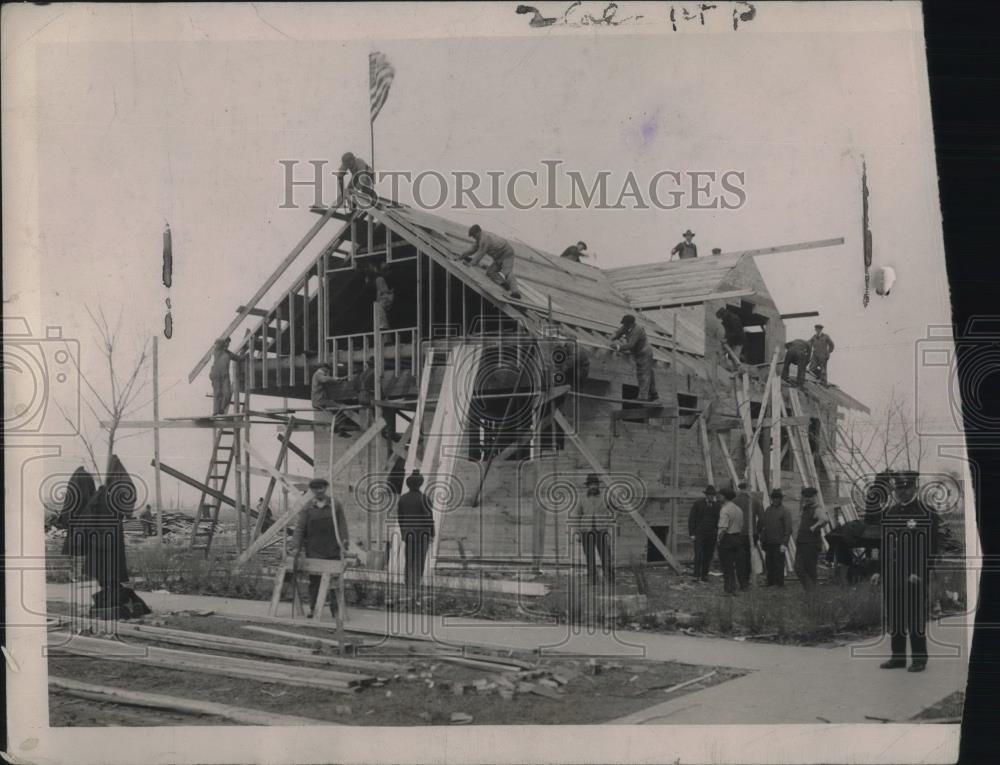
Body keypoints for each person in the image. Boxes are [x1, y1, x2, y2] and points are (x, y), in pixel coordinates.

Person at [878, 471, 940, 672]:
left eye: (906, 488)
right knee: (895, 616)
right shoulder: (890, 512)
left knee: (914, 616)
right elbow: (885, 546)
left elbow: (930, 547)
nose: (902, 492)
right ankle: (898, 657)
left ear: (914, 488)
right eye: (898, 488)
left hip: (914, 576)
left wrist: (920, 572)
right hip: (893, 575)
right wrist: (879, 571)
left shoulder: (925, 512)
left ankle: (919, 659)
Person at [291, 478, 349, 619]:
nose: (319, 491)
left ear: (326, 488)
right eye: (316, 488)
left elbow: (342, 526)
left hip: (333, 549)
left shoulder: (335, 505)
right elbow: (299, 528)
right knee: (315, 582)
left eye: (322, 488)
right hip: (314, 550)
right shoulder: (308, 508)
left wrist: (344, 544)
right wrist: (296, 547)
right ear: (312, 490)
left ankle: (335, 610)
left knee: (335, 581)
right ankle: (313, 609)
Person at [568, 473, 615, 586]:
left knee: (605, 555)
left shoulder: (605, 498)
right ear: (588, 486)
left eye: (595, 484)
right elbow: (576, 516)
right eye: (591, 484)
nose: (593, 486)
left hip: (601, 531)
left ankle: (609, 578)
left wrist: (608, 524)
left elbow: (614, 512)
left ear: (598, 486)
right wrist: (577, 532)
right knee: (589, 556)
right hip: (586, 532)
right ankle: (593, 579)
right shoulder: (582, 499)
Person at [395, 470, 435, 603]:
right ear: (420, 483)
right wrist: (432, 534)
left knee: (409, 562)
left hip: (409, 535)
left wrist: (404, 533)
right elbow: (429, 519)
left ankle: (408, 590)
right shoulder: (424, 498)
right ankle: (416, 591)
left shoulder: (403, 499)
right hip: (422, 535)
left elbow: (400, 518)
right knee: (419, 562)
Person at [458, 225, 522, 299]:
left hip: (506, 253)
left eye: (473, 235)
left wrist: (471, 264)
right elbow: (471, 250)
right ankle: (504, 284)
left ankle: (515, 292)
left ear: (478, 232)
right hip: (498, 257)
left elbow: (480, 253)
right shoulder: (478, 240)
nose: (473, 237)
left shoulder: (484, 238)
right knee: (490, 272)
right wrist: (461, 256)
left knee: (507, 272)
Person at [610, 314, 659, 402]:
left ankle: (643, 397)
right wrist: (613, 337)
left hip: (644, 353)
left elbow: (630, 345)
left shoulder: (637, 330)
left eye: (626, 324)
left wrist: (618, 347)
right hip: (638, 353)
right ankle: (654, 395)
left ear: (631, 324)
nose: (624, 326)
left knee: (643, 375)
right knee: (649, 374)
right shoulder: (626, 326)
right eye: (624, 324)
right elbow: (618, 332)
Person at [793, 487, 830, 591]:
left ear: (814, 497)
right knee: (798, 567)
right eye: (806, 497)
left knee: (810, 569)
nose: (807, 499)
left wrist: (815, 526)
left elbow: (825, 519)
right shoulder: (807, 508)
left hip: (810, 543)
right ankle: (810, 590)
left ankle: (812, 593)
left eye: (810, 497)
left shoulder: (817, 508)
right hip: (802, 542)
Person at [759, 489, 793, 587]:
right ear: (771, 499)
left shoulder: (785, 511)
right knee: (769, 563)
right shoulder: (768, 510)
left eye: (777, 498)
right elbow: (764, 526)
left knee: (779, 564)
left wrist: (784, 543)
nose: (775, 500)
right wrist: (763, 540)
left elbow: (788, 529)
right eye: (773, 498)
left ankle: (779, 583)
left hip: (779, 542)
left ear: (780, 499)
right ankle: (770, 582)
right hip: (768, 542)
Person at [733, 482, 763, 590]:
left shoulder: (734, 502)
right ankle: (748, 579)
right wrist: (757, 530)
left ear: (740, 489)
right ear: (748, 489)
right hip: (752, 534)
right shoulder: (755, 501)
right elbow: (762, 519)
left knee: (740, 559)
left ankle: (743, 583)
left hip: (738, 534)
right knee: (749, 557)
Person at [688, 485, 721, 581]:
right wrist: (692, 534)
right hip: (699, 534)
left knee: (708, 555)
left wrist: (717, 532)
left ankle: (704, 575)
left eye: (712, 495)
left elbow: (719, 520)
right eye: (709, 495)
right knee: (698, 554)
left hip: (711, 534)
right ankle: (696, 575)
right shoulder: (698, 504)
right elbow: (692, 519)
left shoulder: (717, 506)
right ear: (706, 495)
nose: (711, 497)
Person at [716, 486, 743, 595]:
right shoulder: (738, 509)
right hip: (737, 538)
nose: (718, 497)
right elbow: (741, 525)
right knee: (733, 565)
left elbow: (723, 528)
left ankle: (728, 589)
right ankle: (733, 588)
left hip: (727, 539)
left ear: (725, 497)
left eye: (720, 495)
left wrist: (718, 540)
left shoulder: (724, 509)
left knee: (726, 566)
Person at [311, 362, 350, 437]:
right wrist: (335, 379)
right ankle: (337, 428)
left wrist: (338, 379)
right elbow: (324, 379)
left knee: (336, 410)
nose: (328, 372)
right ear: (324, 368)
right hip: (320, 401)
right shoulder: (318, 374)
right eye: (327, 370)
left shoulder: (319, 375)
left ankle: (339, 428)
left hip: (320, 400)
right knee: (342, 407)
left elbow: (327, 380)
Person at [210, 337, 239, 415]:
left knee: (227, 393)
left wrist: (245, 357)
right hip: (216, 374)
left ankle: (221, 409)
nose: (228, 345)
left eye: (229, 343)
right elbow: (217, 342)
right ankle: (215, 411)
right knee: (218, 393)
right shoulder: (217, 351)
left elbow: (237, 358)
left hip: (225, 375)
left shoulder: (228, 353)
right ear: (223, 343)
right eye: (227, 343)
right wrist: (224, 339)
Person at [367, 262, 394, 332]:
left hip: (385, 298)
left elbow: (384, 291)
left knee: (380, 310)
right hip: (384, 298)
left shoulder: (380, 278)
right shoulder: (378, 278)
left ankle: (383, 327)